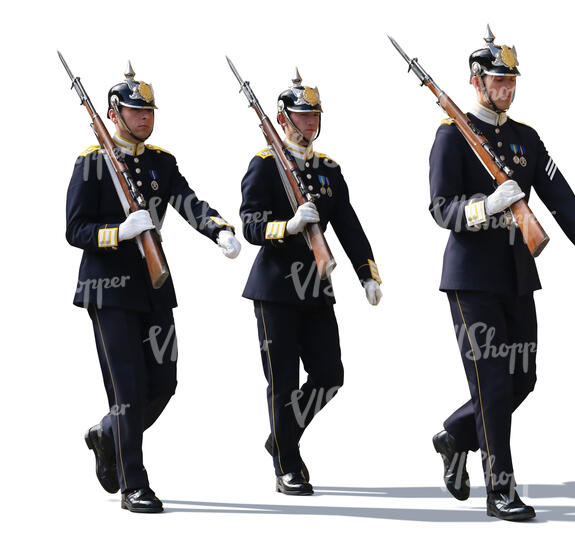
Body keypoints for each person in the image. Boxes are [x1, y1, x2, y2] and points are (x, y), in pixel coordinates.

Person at [428, 26, 575, 521]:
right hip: (470, 278)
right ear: (476, 81)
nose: (506, 89)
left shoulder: (526, 138)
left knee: (522, 379)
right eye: (497, 80)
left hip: (517, 275)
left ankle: (456, 435)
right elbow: (441, 207)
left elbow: (559, 193)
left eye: (511, 81)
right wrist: (487, 205)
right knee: (491, 381)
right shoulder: (452, 135)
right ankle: (500, 490)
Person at [66, 61, 241, 513]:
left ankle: (108, 433)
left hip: (153, 283)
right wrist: (119, 232)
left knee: (163, 382)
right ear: (113, 113)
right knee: (127, 389)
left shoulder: (161, 161)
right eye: (134, 111)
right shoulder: (91, 162)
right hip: (108, 290)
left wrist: (217, 228)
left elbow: (187, 200)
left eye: (148, 111)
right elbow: (75, 229)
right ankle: (134, 483)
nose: (144, 118)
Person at [239, 70, 382, 496]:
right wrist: (287, 225)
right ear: (283, 120)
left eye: (314, 114)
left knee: (329, 374)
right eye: (302, 116)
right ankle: (287, 462)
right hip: (275, 290)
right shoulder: (264, 165)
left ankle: (281, 436)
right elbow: (250, 224)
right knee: (282, 380)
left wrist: (366, 273)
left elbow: (350, 226)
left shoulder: (328, 169)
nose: (310, 122)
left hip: (316, 288)